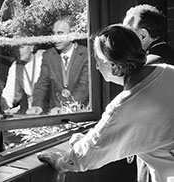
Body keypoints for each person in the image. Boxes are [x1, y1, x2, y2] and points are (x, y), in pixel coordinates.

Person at [37, 24, 174, 182]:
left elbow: (86, 156)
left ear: (114, 67)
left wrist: (60, 162)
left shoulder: (124, 107)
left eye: (97, 60)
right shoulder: (169, 71)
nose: (96, 67)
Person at [123, 4, 174, 182]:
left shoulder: (147, 67)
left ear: (143, 35)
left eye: (127, 33)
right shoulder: (169, 56)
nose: (123, 39)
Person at [26, 16, 89, 115]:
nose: (55, 38)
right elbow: (42, 83)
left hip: (80, 114)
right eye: (53, 34)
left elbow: (84, 88)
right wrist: (37, 105)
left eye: (60, 33)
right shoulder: (48, 55)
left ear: (72, 35)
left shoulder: (86, 55)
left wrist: (66, 109)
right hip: (54, 114)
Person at [1, 44, 44, 114]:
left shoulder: (44, 58)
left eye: (21, 47)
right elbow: (10, 95)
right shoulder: (16, 67)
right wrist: (3, 108)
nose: (18, 51)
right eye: (15, 47)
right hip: (33, 112)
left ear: (32, 46)